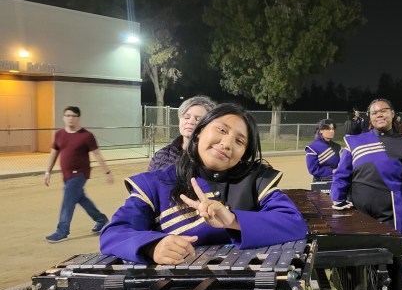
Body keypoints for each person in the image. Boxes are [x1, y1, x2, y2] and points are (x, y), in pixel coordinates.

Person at [100, 103, 308, 263]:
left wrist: (234, 220)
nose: (226, 144)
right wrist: (152, 247)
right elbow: (114, 234)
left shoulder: (255, 180)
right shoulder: (156, 182)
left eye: (239, 141)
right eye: (222, 130)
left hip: (242, 286)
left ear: (244, 153)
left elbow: (294, 223)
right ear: (199, 131)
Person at [330, 98, 402, 290]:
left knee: (395, 262)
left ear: (393, 114)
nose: (379, 115)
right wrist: (337, 199)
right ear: (369, 117)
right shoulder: (354, 142)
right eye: (374, 112)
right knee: (367, 263)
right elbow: (342, 174)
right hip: (360, 215)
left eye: (383, 111)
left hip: (392, 215)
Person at [44, 106, 114, 243]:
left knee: (68, 201)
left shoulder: (86, 136)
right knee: (81, 198)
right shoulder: (59, 134)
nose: (70, 118)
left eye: (73, 116)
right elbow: (54, 153)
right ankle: (102, 220)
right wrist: (48, 172)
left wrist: (107, 172)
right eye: (68, 115)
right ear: (63, 118)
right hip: (66, 175)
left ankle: (62, 231)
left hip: (79, 174)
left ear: (78, 118)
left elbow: (97, 154)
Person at [148, 95, 216, 171]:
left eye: (198, 119)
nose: (190, 122)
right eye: (186, 117)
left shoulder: (215, 159)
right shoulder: (160, 156)